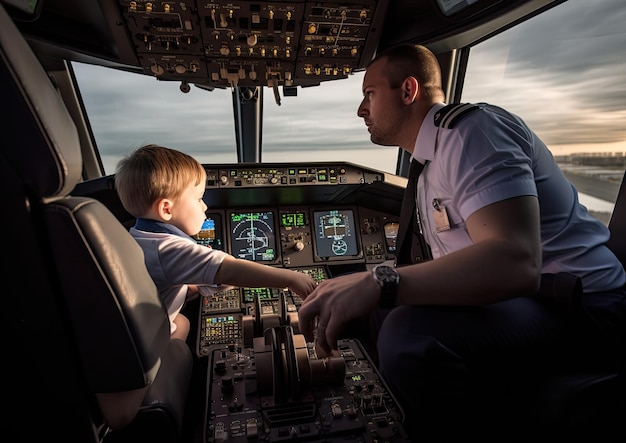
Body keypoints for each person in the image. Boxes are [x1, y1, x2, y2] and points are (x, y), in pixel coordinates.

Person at [297, 44, 626, 441]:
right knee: (369, 310)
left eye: (369, 94)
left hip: (583, 308)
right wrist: (361, 285)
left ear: (408, 91)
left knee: (410, 333)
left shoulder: (472, 132)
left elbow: (514, 262)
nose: (361, 110)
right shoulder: (427, 166)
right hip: (527, 301)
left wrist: (380, 281)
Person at [115, 144, 317, 342]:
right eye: (198, 198)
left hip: (132, 329)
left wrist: (192, 287)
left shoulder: (135, 237)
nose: (205, 206)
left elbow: (161, 278)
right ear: (166, 210)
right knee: (183, 325)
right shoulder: (168, 248)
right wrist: (290, 279)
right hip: (146, 346)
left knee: (181, 320)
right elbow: (229, 270)